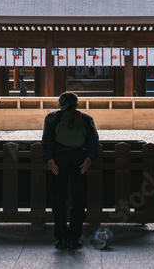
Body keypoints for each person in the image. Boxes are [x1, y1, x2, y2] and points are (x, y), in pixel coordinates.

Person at [42, 92, 99, 250]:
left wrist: (49, 159)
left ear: (60, 104)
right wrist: (89, 159)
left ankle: (61, 239)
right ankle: (75, 237)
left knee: (59, 199)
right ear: (76, 104)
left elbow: (46, 139)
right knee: (78, 199)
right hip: (80, 161)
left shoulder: (52, 118)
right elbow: (94, 140)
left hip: (58, 162)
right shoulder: (86, 119)